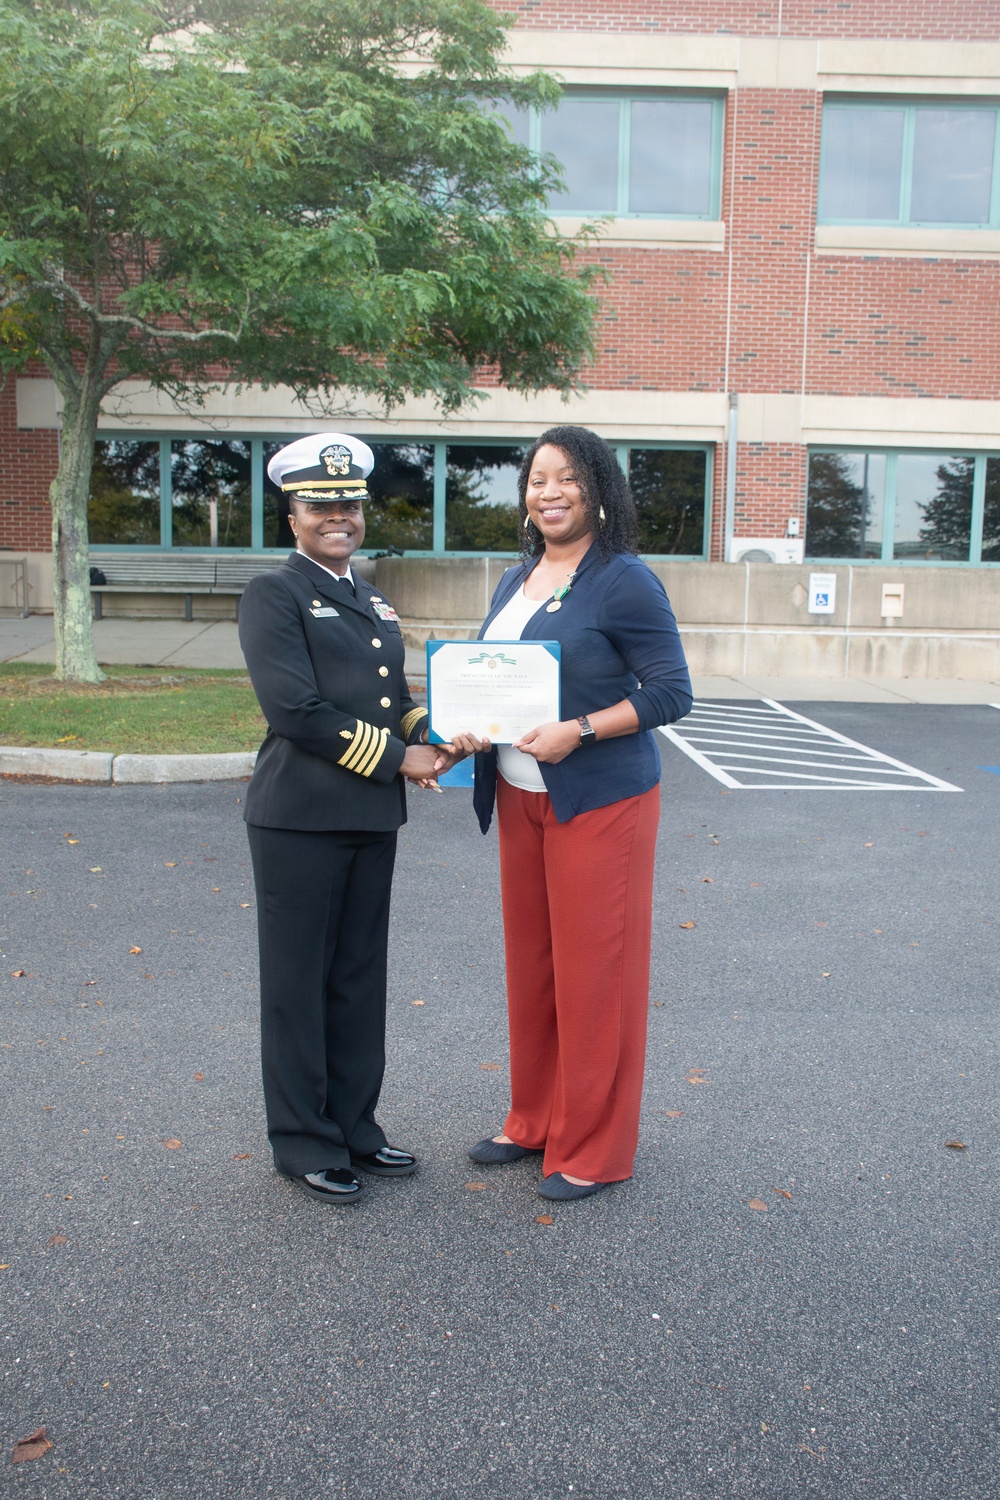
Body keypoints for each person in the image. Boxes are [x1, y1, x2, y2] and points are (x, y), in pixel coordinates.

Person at [459, 426, 693, 1202]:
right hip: (520, 797)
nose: (549, 492)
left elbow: (671, 693)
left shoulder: (624, 581)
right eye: (537, 480)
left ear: (598, 489)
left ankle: (595, 1147)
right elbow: (494, 681)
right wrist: (463, 729)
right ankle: (534, 1119)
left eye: (566, 478)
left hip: (600, 802)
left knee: (597, 978)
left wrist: (581, 729)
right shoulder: (514, 578)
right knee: (534, 969)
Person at [238, 433, 454, 1205]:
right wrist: (401, 759)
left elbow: (394, 698)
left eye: (350, 504)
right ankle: (305, 1142)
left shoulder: (368, 593)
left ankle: (356, 1127)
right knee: (299, 985)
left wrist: (440, 731)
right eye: (321, 505)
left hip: (368, 814)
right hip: (299, 818)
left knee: (359, 981)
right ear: (292, 514)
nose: (339, 517)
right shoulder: (275, 593)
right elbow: (296, 710)